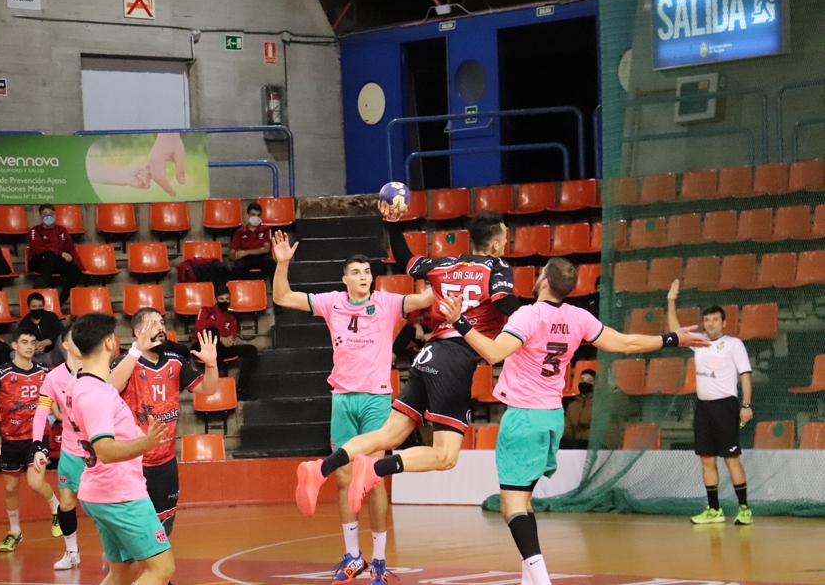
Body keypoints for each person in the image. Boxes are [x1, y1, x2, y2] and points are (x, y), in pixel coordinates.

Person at [439, 257, 709, 585]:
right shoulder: (578, 317)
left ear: (544, 282)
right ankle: (529, 580)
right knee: (523, 503)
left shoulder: (529, 315)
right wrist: (671, 339)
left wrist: (460, 322)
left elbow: (494, 353)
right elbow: (626, 343)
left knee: (512, 508)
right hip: (553, 417)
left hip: (524, 418)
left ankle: (542, 581)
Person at [296, 206, 519, 519]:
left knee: (389, 434)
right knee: (446, 456)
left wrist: (392, 223)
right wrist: (535, 314)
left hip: (427, 355)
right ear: (495, 244)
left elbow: (406, 260)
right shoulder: (497, 267)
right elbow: (505, 303)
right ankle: (375, 468)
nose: (506, 243)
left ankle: (320, 469)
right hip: (454, 360)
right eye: (505, 238)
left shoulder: (445, 264)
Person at [273, 231, 433, 585]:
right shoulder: (332, 302)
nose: (364, 276)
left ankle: (379, 560)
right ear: (345, 279)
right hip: (342, 399)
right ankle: (353, 557)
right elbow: (282, 296)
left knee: (373, 479)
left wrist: (434, 272)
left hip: (376, 399)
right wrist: (283, 263)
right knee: (344, 479)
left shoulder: (387, 302)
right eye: (357, 272)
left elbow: (424, 297)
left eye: (367, 272)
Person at [66, 312, 174, 585]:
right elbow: (105, 449)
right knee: (161, 569)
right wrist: (146, 443)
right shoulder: (96, 394)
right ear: (109, 343)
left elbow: (111, 386)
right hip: (120, 495)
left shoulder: (81, 382)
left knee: (122, 573)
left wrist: (137, 349)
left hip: (100, 492)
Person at [108, 308, 220, 538]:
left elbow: (208, 389)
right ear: (138, 332)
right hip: (134, 461)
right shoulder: (127, 362)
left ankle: (159, 562)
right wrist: (136, 350)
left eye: (161, 323)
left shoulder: (176, 362)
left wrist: (211, 365)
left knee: (164, 527)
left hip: (166, 462)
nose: (160, 328)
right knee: (133, 527)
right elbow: (110, 388)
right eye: (153, 324)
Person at [667, 279, 754, 526]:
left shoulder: (734, 344)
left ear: (724, 322)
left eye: (715, 319)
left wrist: (746, 405)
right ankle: (714, 510)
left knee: (731, 458)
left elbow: (745, 375)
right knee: (706, 459)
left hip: (725, 406)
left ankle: (744, 509)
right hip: (703, 408)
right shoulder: (699, 342)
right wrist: (671, 301)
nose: (710, 323)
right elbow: (676, 332)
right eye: (707, 320)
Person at [0, 326, 59, 552]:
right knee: (11, 488)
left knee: (35, 482)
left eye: (32, 343)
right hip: (11, 439)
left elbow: (55, 400)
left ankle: (56, 509)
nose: (29, 347)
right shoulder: (1, 373)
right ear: (14, 345)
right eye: (24, 342)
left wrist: (60, 414)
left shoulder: (45, 372)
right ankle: (15, 532)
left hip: (38, 437)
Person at [31, 328, 85, 570]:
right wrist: (37, 445)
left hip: (99, 451)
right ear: (65, 344)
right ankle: (72, 553)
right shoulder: (53, 378)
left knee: (104, 505)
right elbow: (42, 412)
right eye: (75, 338)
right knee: (66, 503)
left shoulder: (98, 372)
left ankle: (112, 551)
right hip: (71, 451)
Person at [193, 285, 259, 400]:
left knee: (251, 350)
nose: (225, 302)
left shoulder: (231, 318)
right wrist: (220, 338)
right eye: (221, 299)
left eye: (227, 299)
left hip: (220, 348)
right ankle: (216, 379)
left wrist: (229, 341)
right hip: (201, 346)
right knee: (213, 331)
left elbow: (231, 338)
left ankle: (241, 388)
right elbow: (199, 331)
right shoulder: (205, 311)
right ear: (215, 299)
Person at [29, 204, 83, 306]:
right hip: (38, 261)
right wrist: (60, 253)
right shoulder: (34, 230)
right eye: (45, 214)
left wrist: (79, 266)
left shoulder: (61, 230)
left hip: (55, 262)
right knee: (49, 254)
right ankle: (45, 285)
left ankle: (60, 301)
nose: (48, 216)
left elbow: (70, 249)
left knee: (75, 271)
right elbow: (37, 249)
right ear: (40, 215)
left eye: (51, 214)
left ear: (55, 215)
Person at [19, 292, 65, 367]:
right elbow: (21, 340)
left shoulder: (51, 317)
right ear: (29, 307)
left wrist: (47, 342)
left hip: (53, 355)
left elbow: (61, 332)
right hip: (34, 357)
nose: (37, 309)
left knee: (63, 339)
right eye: (34, 306)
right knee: (13, 353)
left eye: (40, 306)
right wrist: (33, 346)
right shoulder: (25, 323)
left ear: (43, 306)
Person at [230, 202, 274, 280]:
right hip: (246, 259)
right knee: (237, 267)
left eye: (258, 215)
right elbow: (231, 253)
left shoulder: (266, 229)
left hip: (262, 257)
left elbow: (266, 249)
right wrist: (236, 256)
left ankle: (276, 287)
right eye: (253, 215)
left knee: (271, 264)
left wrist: (246, 252)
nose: (256, 218)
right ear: (248, 215)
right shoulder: (240, 232)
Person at [561, 369, 596, 449]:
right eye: (582, 380)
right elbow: (567, 427)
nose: (584, 383)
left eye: (589, 381)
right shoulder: (572, 406)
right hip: (572, 444)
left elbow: (597, 430)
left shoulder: (599, 405)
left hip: (590, 445)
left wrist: (578, 436)